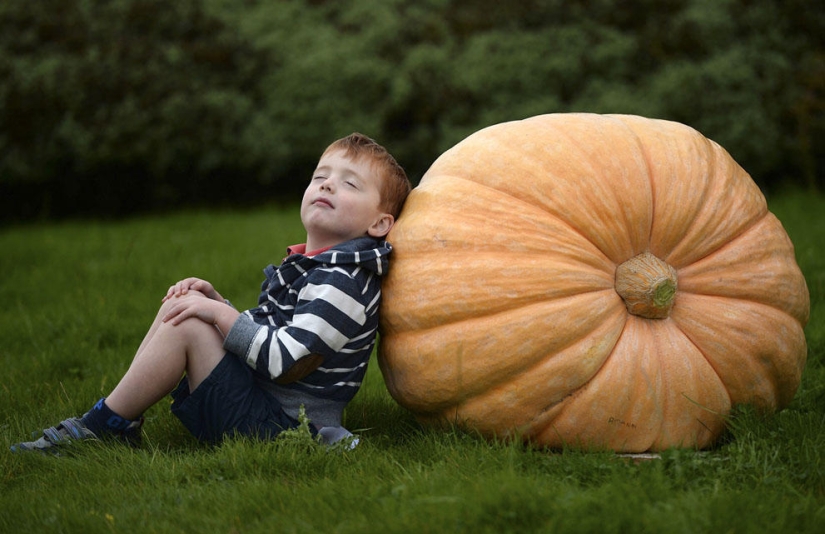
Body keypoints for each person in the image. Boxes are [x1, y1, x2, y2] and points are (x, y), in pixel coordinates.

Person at [11, 133, 411, 453]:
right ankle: (116, 417)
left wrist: (217, 316)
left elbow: (289, 361)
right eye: (320, 175)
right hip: (266, 406)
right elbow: (272, 333)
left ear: (379, 223)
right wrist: (220, 304)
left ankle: (103, 426)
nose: (327, 184)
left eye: (349, 183)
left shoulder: (343, 281)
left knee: (190, 323)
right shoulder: (321, 267)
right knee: (185, 307)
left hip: (286, 430)